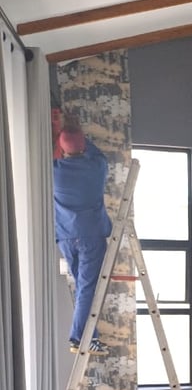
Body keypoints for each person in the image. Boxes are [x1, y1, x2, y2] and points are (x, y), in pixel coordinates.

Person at [53, 122, 112, 354]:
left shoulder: (53, 170)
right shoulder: (97, 167)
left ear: (62, 148)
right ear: (83, 145)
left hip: (66, 237)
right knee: (87, 288)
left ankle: (89, 336)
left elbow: (63, 150)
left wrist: (60, 136)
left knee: (82, 288)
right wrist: (76, 135)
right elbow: (96, 152)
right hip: (91, 236)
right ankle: (79, 337)